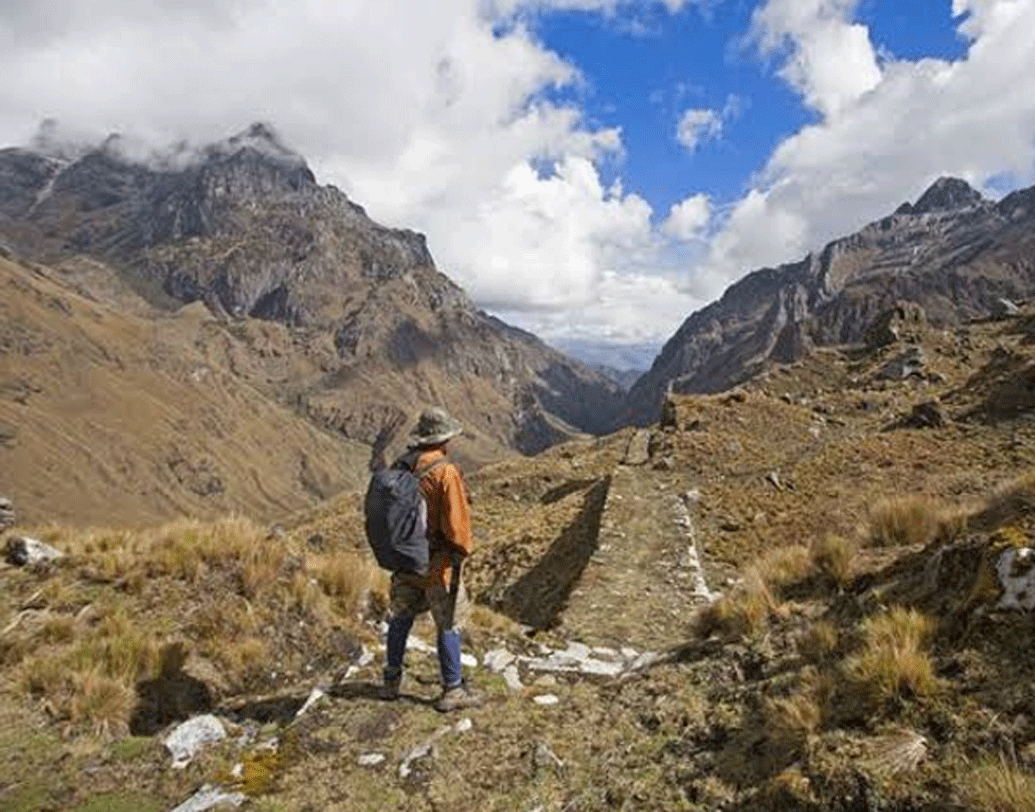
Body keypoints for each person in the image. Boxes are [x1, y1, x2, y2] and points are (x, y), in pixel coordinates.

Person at [382, 406, 482, 712]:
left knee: (401, 617)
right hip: (436, 564)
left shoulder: (402, 465)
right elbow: (457, 527)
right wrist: (461, 552)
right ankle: (452, 689)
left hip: (405, 560)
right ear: (444, 439)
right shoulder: (444, 472)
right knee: (448, 623)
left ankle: (390, 681)